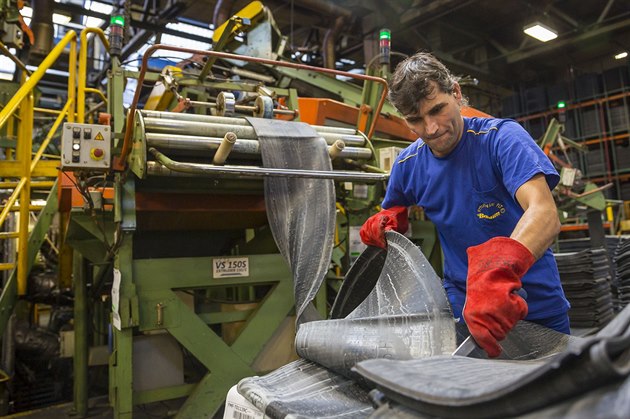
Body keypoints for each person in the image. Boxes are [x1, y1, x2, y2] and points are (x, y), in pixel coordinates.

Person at [360, 52, 570, 358]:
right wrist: (389, 218)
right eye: (415, 120)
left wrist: (500, 274)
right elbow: (395, 208)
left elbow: (544, 213)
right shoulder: (408, 164)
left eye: (437, 110)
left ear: (456, 94)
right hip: (466, 314)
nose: (430, 128)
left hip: (536, 308)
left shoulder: (502, 139)